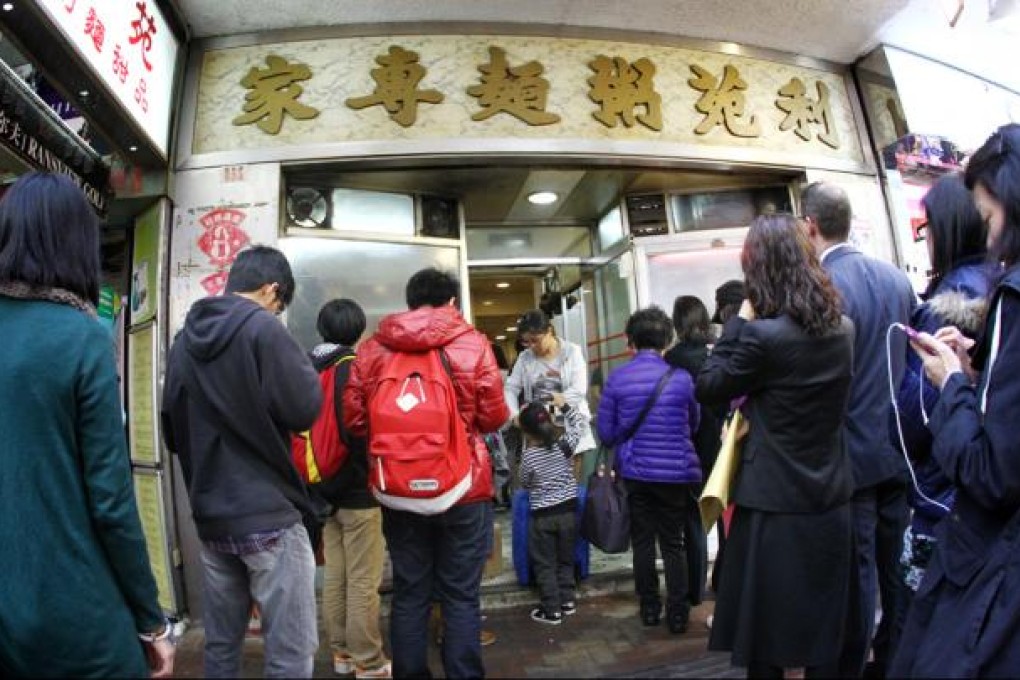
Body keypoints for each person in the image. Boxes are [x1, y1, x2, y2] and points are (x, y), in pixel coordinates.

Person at [0, 173, 174, 678]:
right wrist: (151, 620)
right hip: (67, 605)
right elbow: (111, 501)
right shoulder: (80, 337)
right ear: (76, 245)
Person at [697, 213, 856, 678]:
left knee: (764, 634)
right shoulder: (844, 328)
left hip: (772, 502)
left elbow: (709, 386)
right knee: (826, 624)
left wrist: (738, 322)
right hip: (831, 495)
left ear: (759, 269)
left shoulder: (764, 338)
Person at [890, 123, 1020, 676]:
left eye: (990, 217)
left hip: (982, 548)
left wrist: (954, 384)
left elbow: (992, 470)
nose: (990, 236)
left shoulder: (1007, 297)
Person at [161, 245, 323, 678]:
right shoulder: (264, 330)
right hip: (269, 515)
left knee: (221, 647)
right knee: (290, 655)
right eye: (280, 303)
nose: (277, 311)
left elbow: (172, 430)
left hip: (212, 519)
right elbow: (305, 408)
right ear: (272, 290)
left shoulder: (183, 342)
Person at [344, 267, 509, 679]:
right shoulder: (472, 344)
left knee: (411, 592)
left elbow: (356, 421)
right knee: (460, 595)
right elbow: (493, 418)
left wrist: (402, 449)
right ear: (452, 301)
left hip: (398, 491)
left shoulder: (372, 349)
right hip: (465, 488)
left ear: (411, 302)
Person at [800, 181, 916, 678]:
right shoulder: (895, 279)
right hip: (900, 447)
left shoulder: (822, 290)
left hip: (849, 457)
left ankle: (855, 665)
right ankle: (895, 660)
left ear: (810, 227)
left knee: (859, 573)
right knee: (896, 569)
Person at [887, 174, 991, 659]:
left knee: (922, 641)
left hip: (940, 498)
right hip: (982, 503)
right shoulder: (1000, 291)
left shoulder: (941, 310)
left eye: (925, 227)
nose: (923, 239)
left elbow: (912, 421)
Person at [597, 306, 702, 634]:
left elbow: (607, 433)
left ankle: (650, 607)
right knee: (673, 543)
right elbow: (694, 423)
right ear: (667, 340)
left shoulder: (617, 379)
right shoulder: (681, 378)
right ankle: (678, 612)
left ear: (631, 340)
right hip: (675, 473)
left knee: (642, 541)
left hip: (636, 473)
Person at [309, 299, 391, 679]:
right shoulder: (350, 368)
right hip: (356, 491)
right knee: (362, 579)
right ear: (357, 330)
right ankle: (369, 662)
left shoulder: (308, 366)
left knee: (336, 575)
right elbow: (357, 429)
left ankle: (341, 653)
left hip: (322, 488)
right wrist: (367, 473)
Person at [664, 295, 723, 606]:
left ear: (677, 323)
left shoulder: (671, 360)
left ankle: (695, 590)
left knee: (692, 519)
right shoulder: (715, 356)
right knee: (724, 516)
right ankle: (725, 579)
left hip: (685, 446)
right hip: (719, 446)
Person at [518, 395, 587, 625]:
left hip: (543, 518)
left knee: (545, 563)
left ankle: (551, 610)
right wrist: (564, 405)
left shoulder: (528, 456)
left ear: (527, 433)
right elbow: (580, 425)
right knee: (565, 559)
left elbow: (525, 483)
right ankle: (567, 601)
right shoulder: (563, 447)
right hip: (569, 513)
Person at [505, 309, 596, 477]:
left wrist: (550, 405)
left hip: (568, 427)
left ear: (549, 331)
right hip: (539, 428)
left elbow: (578, 390)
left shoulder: (571, 352)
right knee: (541, 481)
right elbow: (510, 388)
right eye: (526, 342)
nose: (531, 346)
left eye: (535, 340)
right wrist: (514, 415)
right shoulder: (525, 358)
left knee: (570, 482)